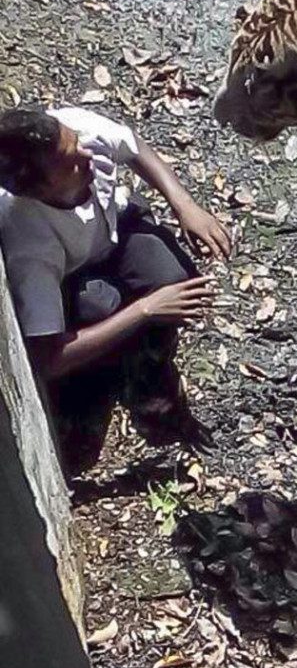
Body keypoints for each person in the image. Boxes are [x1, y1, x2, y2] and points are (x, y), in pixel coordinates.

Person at [0, 105, 231, 472]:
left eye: (75, 142)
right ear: (39, 190)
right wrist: (145, 309)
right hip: (74, 278)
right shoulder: (30, 242)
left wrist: (185, 204)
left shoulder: (77, 133)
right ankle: (109, 377)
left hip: (115, 230)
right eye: (69, 162)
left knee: (174, 276)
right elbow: (48, 358)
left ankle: (149, 364)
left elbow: (133, 146)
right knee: (100, 307)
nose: (86, 153)